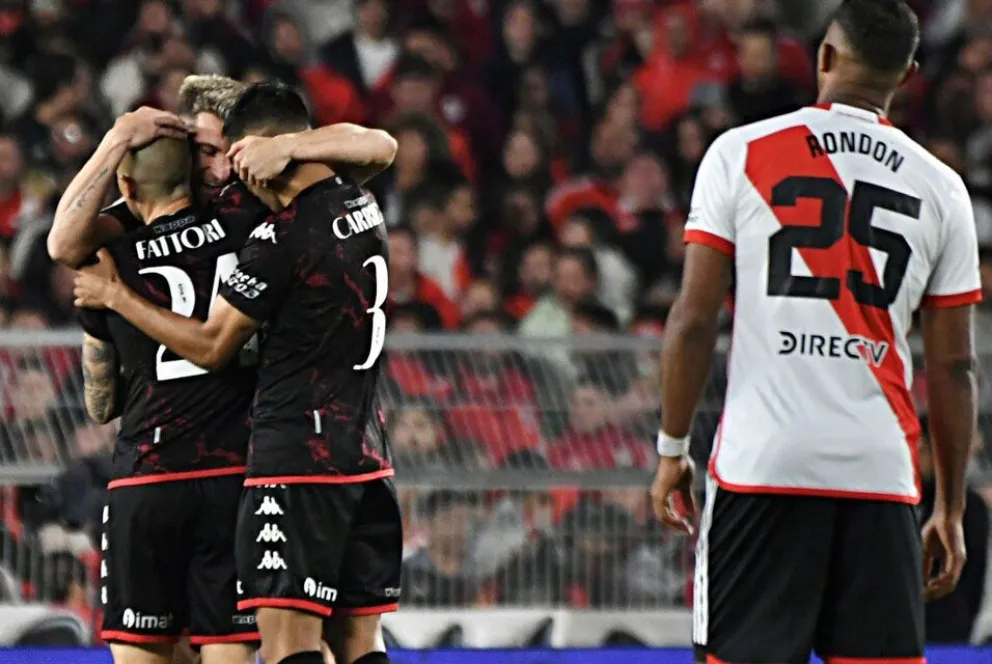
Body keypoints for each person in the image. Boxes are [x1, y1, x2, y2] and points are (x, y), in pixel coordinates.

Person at [649, 1, 981, 663]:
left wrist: (671, 449)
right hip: (881, 475)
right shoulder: (942, 189)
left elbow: (691, 323)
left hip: (762, 467)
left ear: (825, 57)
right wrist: (948, 506)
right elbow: (953, 370)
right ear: (909, 73)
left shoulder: (739, 153)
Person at [73, 83, 399, 664]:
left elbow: (211, 345)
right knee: (359, 645)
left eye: (228, 152)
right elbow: (379, 144)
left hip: (294, 461)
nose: (226, 169)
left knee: (288, 648)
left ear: (253, 150)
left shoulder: (275, 237)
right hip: (366, 453)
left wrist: (115, 297)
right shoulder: (357, 203)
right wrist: (295, 149)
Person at [78, 136, 260, 664]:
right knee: (229, 651)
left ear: (128, 186)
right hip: (234, 474)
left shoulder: (111, 257)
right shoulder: (243, 229)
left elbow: (101, 401)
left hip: (146, 480)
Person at [48, 74, 399, 268]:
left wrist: (287, 146)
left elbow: (381, 147)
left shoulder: (264, 189)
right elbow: (63, 246)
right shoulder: (152, 205)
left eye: (232, 152)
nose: (220, 170)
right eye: (206, 151)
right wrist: (116, 140)